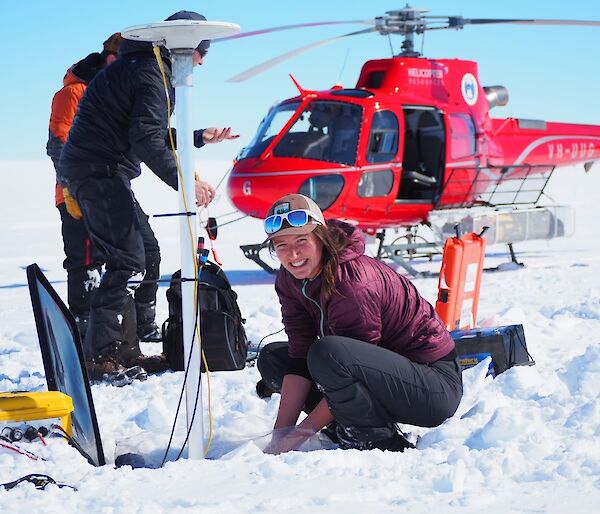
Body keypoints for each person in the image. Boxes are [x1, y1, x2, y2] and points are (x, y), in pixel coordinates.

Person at [59, 11, 237, 379]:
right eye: (202, 52)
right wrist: (186, 182)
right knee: (127, 260)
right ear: (186, 49)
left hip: (106, 172)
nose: (202, 61)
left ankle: (126, 350)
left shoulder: (145, 68)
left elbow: (148, 130)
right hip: (97, 172)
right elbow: (146, 139)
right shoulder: (149, 74)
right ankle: (102, 355)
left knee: (146, 254)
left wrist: (199, 136)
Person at [257, 194, 463, 453]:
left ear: (321, 238)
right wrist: (280, 437)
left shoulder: (353, 283)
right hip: (384, 376)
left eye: (302, 241)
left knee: (328, 354)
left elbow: (348, 367)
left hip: (433, 388)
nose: (293, 254)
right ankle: (348, 423)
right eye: (281, 245)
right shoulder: (290, 279)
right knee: (274, 359)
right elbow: (299, 354)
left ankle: (377, 437)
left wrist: (298, 436)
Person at [46, 33, 123, 341]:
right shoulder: (73, 93)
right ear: (110, 59)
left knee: (114, 258)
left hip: (105, 191)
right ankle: (81, 328)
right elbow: (58, 143)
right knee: (84, 260)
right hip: (75, 194)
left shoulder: (106, 92)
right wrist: (73, 188)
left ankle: (108, 328)